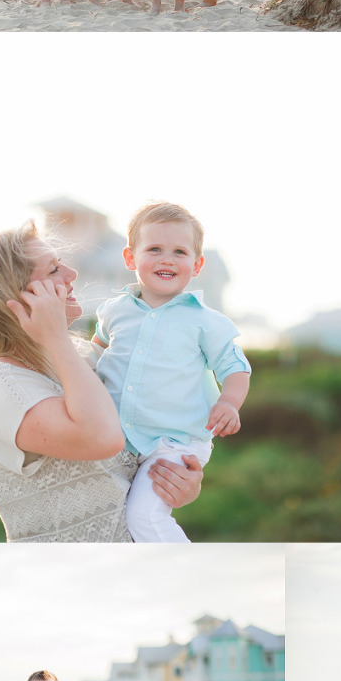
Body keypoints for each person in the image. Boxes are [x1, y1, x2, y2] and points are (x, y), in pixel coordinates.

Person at [0, 226, 203, 542]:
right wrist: (56, 337)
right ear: (18, 294)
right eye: (54, 269)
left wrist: (175, 480)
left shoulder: (82, 359)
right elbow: (102, 437)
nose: (72, 274)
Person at [91, 200, 251, 544]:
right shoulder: (114, 312)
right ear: (130, 258)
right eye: (155, 249)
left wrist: (230, 403)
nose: (167, 259)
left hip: (173, 444)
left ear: (197, 264)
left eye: (180, 251)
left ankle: (191, 578)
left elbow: (236, 368)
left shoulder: (206, 322)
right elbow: (95, 352)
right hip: (120, 437)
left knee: (144, 517)